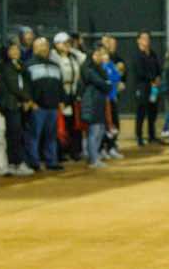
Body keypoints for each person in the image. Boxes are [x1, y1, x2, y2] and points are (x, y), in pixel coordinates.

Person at [0, 43, 34, 177]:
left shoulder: (21, 65)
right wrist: (26, 99)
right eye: (12, 49)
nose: (15, 51)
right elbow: (13, 86)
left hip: (20, 104)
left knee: (20, 134)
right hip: (11, 104)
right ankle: (15, 163)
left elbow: (27, 83)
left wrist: (27, 99)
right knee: (14, 134)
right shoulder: (6, 67)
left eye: (17, 49)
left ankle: (17, 162)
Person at [26, 37, 65, 171]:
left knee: (51, 136)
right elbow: (26, 86)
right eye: (41, 45)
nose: (44, 48)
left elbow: (59, 85)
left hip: (53, 107)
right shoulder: (28, 65)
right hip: (38, 107)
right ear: (34, 48)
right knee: (34, 136)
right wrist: (31, 102)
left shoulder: (55, 65)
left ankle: (51, 161)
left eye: (46, 45)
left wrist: (61, 101)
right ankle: (34, 162)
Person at [50, 32, 84, 162]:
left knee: (74, 123)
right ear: (56, 44)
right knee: (61, 123)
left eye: (68, 43)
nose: (67, 45)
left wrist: (72, 50)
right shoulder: (53, 56)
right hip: (61, 92)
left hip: (73, 92)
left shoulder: (73, 57)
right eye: (64, 43)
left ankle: (74, 151)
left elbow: (84, 58)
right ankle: (60, 152)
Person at [80, 43, 113, 169]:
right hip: (91, 104)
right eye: (96, 55)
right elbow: (102, 83)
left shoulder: (100, 69)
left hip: (99, 103)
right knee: (94, 131)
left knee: (100, 130)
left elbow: (107, 84)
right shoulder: (88, 69)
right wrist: (106, 83)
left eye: (100, 55)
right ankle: (93, 159)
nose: (99, 57)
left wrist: (106, 84)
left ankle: (95, 156)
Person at [131, 31, 161, 146]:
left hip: (153, 88)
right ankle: (139, 137)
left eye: (148, 38)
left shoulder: (152, 54)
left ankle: (152, 136)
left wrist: (157, 78)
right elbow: (140, 72)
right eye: (143, 38)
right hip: (142, 88)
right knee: (141, 113)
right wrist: (152, 78)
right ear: (138, 40)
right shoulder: (136, 55)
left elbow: (158, 68)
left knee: (152, 112)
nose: (146, 40)